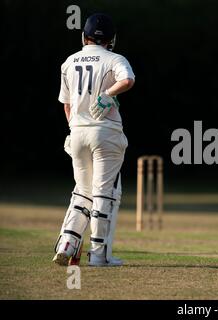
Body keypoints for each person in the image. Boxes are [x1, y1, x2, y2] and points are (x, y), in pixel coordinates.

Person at [53, 13, 135, 266]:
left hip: (77, 133)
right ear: (111, 39)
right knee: (103, 193)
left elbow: (67, 105)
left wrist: (74, 129)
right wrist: (108, 94)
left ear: (83, 36)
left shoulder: (69, 62)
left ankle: (67, 243)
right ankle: (99, 256)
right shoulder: (115, 58)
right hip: (106, 133)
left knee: (82, 191)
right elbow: (128, 80)